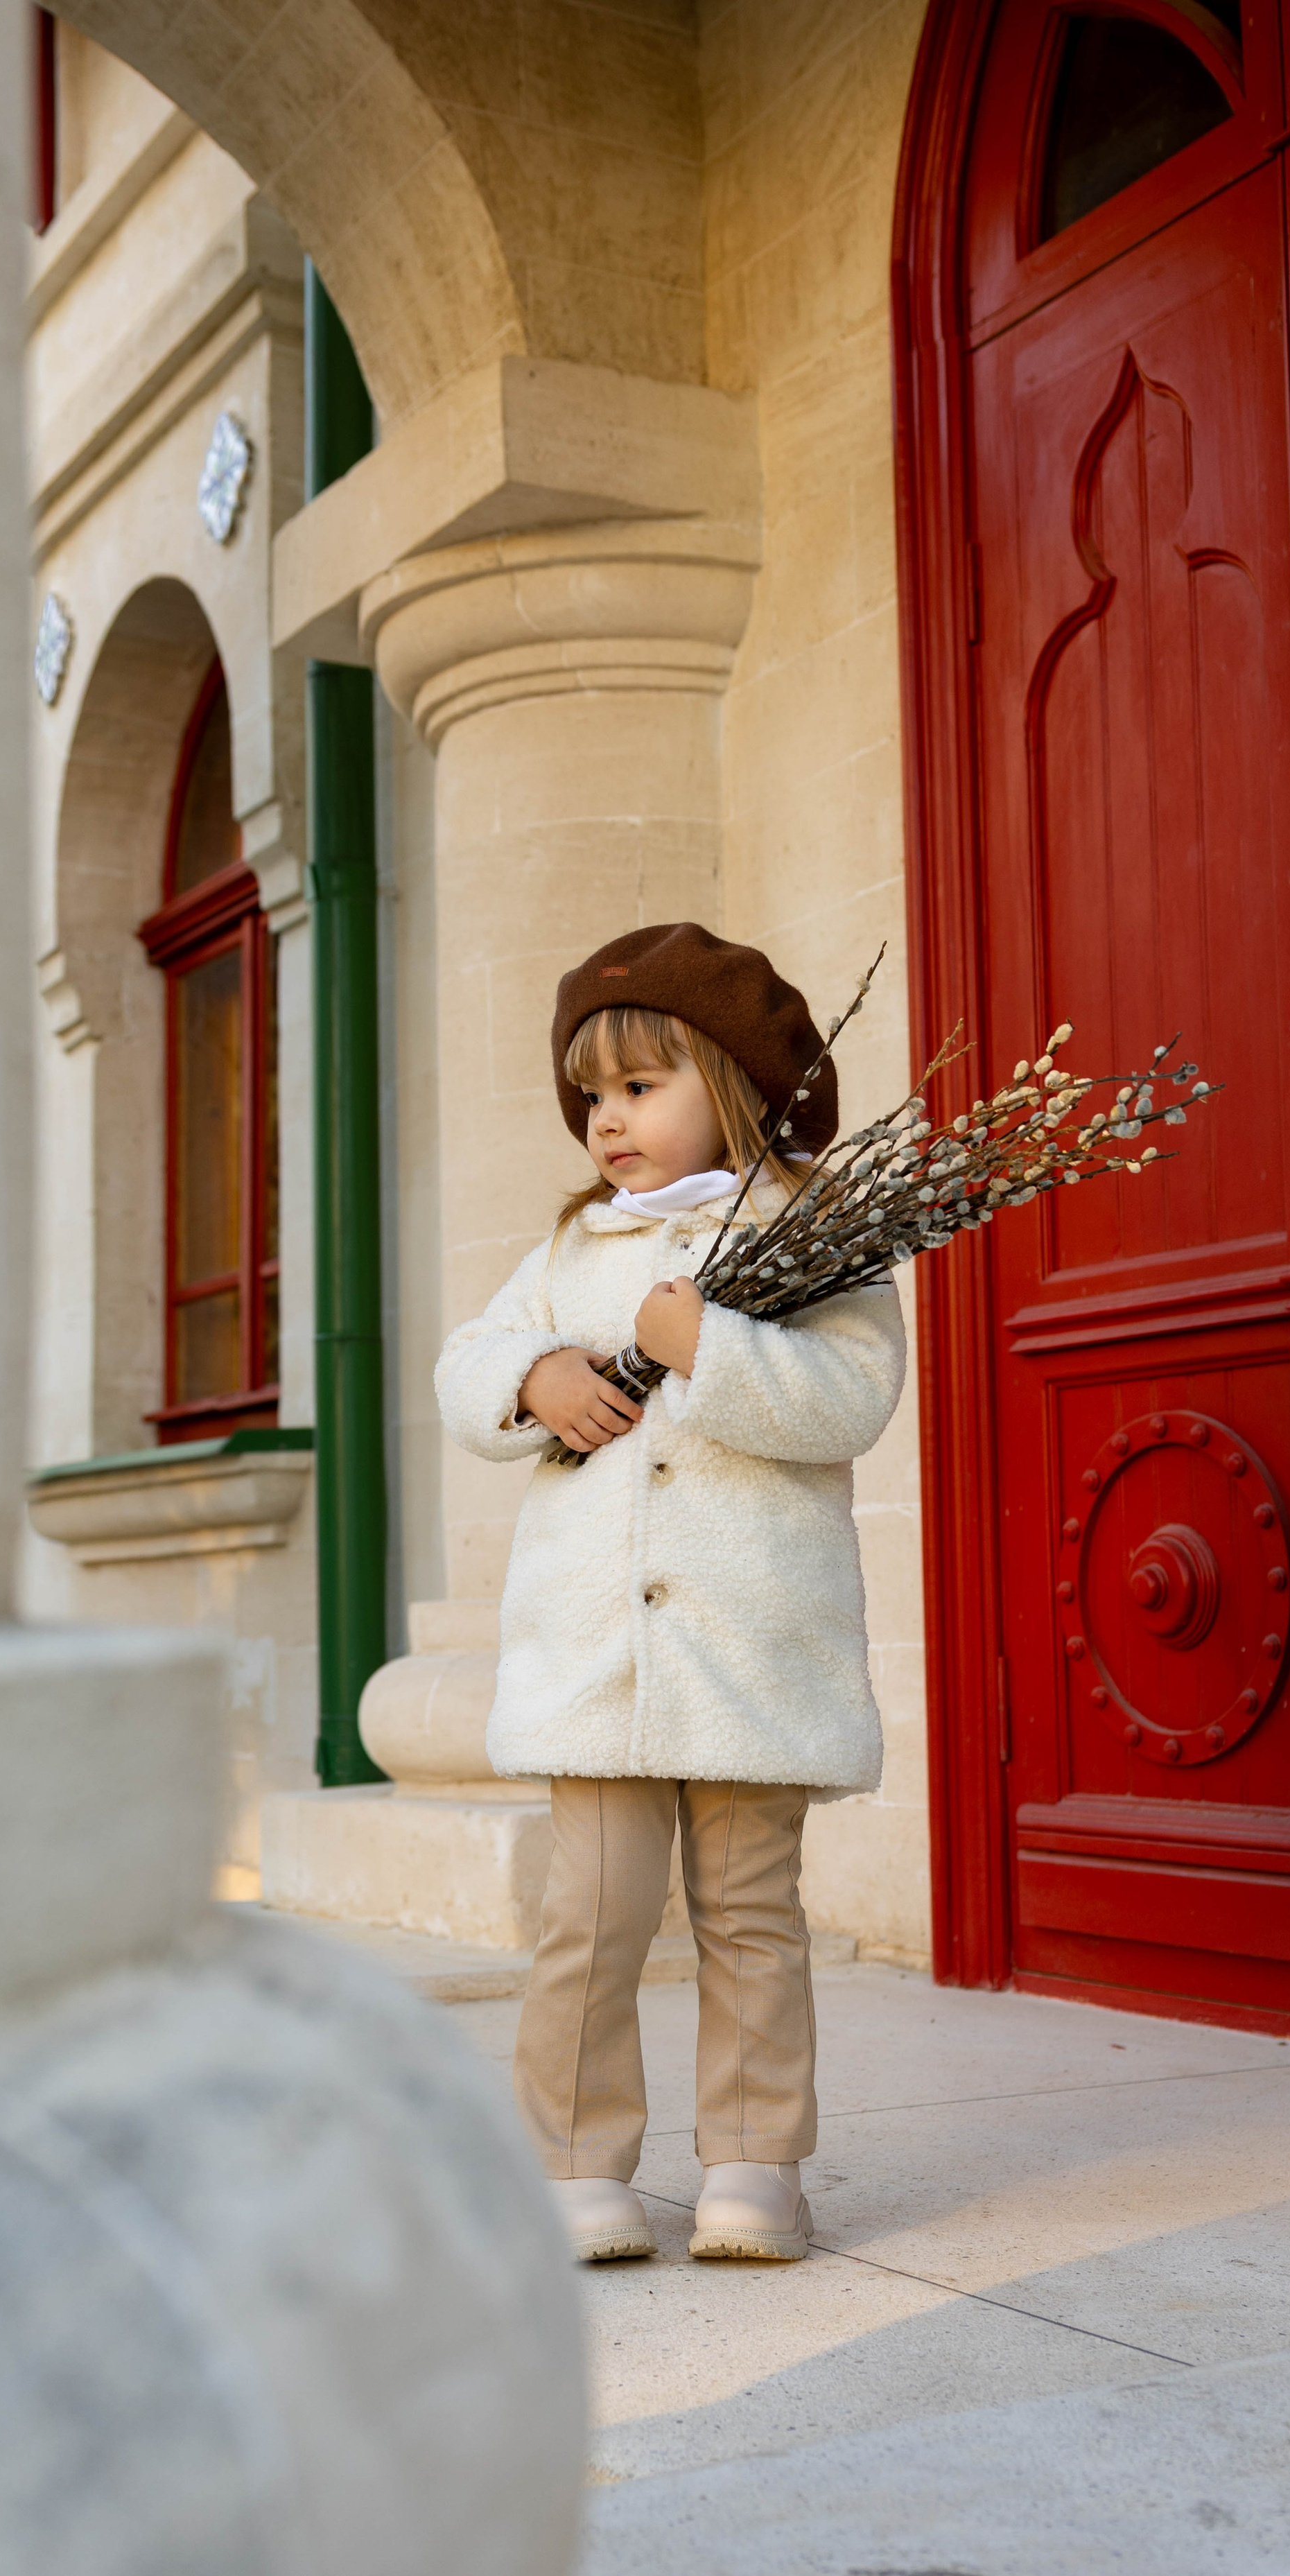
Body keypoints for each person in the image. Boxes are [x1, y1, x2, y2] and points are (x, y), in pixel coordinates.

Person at [435, 921, 905, 2262]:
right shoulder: (573, 1246)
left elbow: (850, 1401)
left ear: (732, 1081)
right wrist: (532, 1378)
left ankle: (757, 2166)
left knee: (750, 1913)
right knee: (589, 1916)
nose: (606, 1121)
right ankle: (578, 2164)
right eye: (591, 1096)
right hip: (596, 1662)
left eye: (640, 1087)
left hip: (751, 1647)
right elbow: (470, 1360)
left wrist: (707, 1344)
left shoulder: (815, 1232)